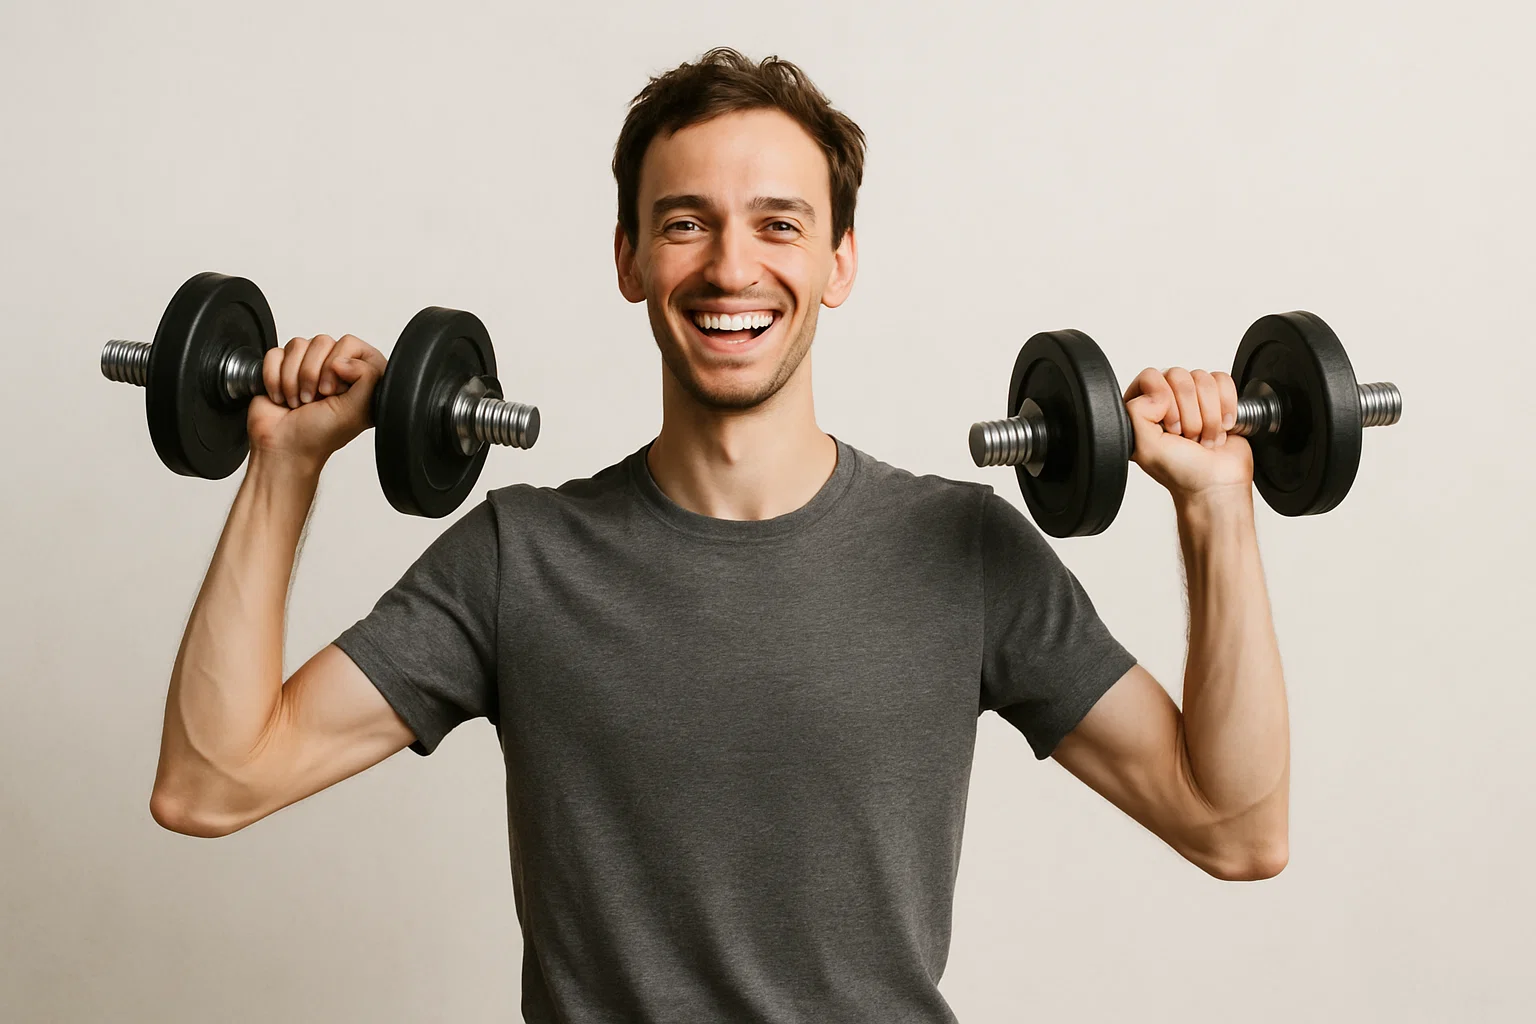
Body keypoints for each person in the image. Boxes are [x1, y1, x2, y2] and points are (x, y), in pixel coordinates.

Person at [149, 48, 1288, 1023]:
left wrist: (1217, 507)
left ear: (840, 260)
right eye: (686, 223)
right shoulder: (519, 559)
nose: (732, 268)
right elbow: (212, 782)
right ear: (629, 257)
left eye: (779, 224)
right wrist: (283, 465)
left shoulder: (966, 552)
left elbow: (1234, 828)